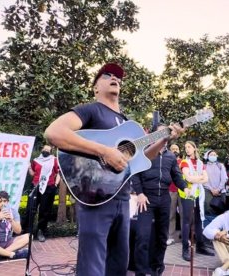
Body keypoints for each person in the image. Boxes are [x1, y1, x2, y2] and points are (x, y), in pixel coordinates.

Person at [44, 62, 184, 275]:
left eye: (118, 77)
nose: (115, 78)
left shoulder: (128, 124)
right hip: (95, 196)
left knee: (118, 265)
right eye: (107, 75)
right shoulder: (90, 110)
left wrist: (164, 140)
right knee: (92, 266)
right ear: (95, 87)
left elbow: (141, 159)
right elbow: (54, 133)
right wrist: (104, 151)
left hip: (121, 197)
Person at [131, 132, 189, 276]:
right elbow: (135, 173)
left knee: (162, 237)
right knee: (142, 237)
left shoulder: (170, 157)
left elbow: (176, 175)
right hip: (146, 200)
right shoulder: (144, 153)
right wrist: (139, 193)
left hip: (164, 198)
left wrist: (185, 187)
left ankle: (157, 267)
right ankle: (141, 271)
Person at [178, 141, 214, 261]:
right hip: (187, 193)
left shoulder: (200, 163)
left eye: (189, 147)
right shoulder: (184, 162)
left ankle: (200, 246)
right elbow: (188, 178)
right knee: (187, 221)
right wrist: (200, 178)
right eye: (185, 147)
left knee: (199, 220)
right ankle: (185, 249)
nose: (187, 149)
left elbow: (207, 178)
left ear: (194, 148)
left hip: (198, 193)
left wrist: (196, 179)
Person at [26, 144, 60, 242]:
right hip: (36, 187)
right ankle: (28, 231)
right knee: (30, 208)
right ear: (41, 150)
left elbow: (58, 173)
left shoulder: (54, 160)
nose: (45, 151)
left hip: (49, 187)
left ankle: (41, 231)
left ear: (51, 152)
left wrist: (56, 184)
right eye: (44, 149)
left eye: (48, 150)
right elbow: (32, 174)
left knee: (44, 211)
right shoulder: (36, 160)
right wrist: (29, 167)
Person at [203, 150, 228, 226]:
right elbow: (204, 179)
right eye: (211, 154)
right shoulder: (204, 166)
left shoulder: (220, 165)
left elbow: (224, 178)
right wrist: (211, 189)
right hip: (208, 191)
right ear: (207, 156)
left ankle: (220, 228)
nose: (213, 156)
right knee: (208, 209)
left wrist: (218, 189)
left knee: (220, 210)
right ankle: (209, 228)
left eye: (214, 154)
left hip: (220, 192)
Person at [167, 143, 183, 245]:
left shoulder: (183, 162)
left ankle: (184, 235)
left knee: (183, 214)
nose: (175, 150)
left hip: (182, 191)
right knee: (171, 215)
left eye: (176, 148)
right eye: (173, 149)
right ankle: (170, 236)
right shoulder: (167, 161)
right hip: (171, 190)